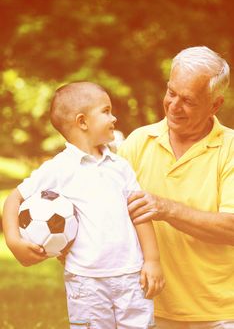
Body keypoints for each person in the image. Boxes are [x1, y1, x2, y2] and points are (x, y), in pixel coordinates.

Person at [3, 81, 165, 329]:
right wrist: (14, 240)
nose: (114, 117)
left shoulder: (120, 167)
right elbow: (15, 198)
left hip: (131, 278)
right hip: (86, 282)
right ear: (82, 122)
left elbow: (140, 213)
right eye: (106, 111)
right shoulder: (59, 168)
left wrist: (152, 260)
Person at [118, 46, 234, 329]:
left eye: (188, 101)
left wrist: (166, 208)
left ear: (215, 105)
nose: (173, 106)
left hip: (219, 313)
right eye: (171, 92)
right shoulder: (137, 142)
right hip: (147, 307)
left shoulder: (230, 149)